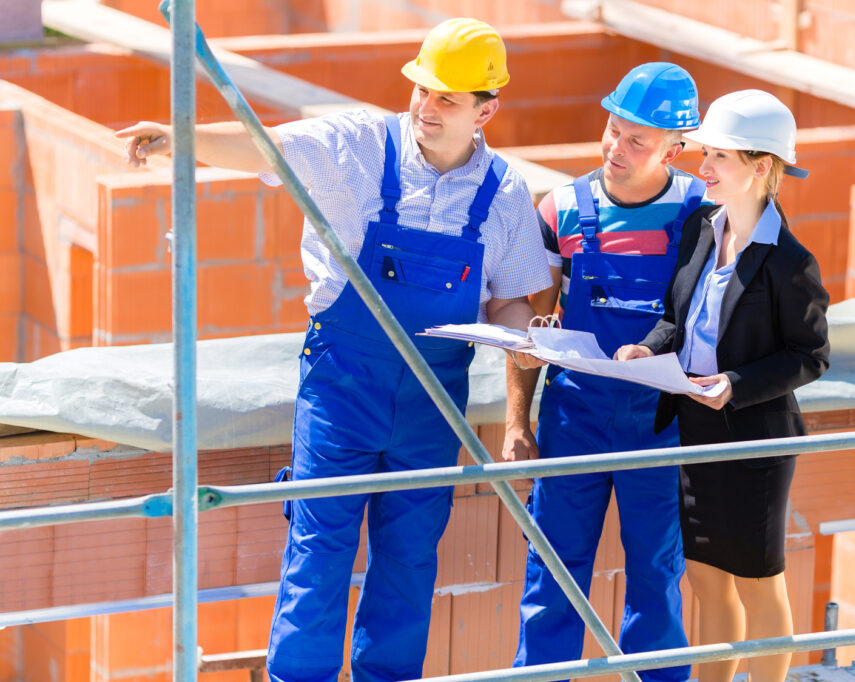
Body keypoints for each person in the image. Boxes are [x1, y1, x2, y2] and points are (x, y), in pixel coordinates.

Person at [117, 18, 551, 682]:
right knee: (318, 548)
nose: (426, 108)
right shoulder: (355, 147)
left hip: (434, 403)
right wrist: (183, 137)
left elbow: (511, 299)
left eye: (447, 99)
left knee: (409, 560)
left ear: (485, 109)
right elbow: (266, 148)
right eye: (422, 90)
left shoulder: (505, 194)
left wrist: (524, 339)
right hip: (342, 387)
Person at [615, 89, 830, 682]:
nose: (702, 168)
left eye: (719, 159)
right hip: (698, 429)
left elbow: (810, 356)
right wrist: (648, 348)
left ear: (761, 168)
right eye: (705, 155)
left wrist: (735, 383)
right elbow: (676, 321)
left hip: (756, 442)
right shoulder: (699, 232)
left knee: (759, 584)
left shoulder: (791, 262)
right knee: (707, 579)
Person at [505, 63, 707, 682]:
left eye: (637, 141)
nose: (616, 148)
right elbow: (532, 328)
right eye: (613, 130)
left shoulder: (704, 210)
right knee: (553, 573)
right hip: (575, 418)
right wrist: (518, 422)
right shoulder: (561, 208)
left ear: (676, 148)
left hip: (664, 422)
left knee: (656, 572)